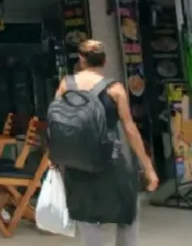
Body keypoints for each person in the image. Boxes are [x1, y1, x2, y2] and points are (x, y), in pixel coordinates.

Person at [54, 39, 158, 246]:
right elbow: (130, 130)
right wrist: (148, 167)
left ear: (81, 59)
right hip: (111, 160)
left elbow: (56, 122)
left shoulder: (66, 84)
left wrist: (54, 157)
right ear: (105, 61)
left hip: (77, 163)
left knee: (87, 216)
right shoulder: (115, 89)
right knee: (128, 209)